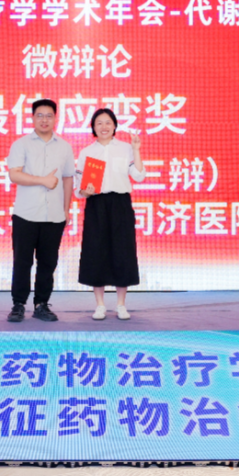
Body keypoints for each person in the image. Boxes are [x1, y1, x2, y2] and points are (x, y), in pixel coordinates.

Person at [5, 99, 75, 323]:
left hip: (54, 215)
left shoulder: (64, 146)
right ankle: (18, 304)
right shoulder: (21, 144)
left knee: (48, 263)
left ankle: (41, 304)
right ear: (33, 118)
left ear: (56, 118)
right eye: (40, 115)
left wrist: (66, 210)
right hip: (26, 213)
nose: (44, 120)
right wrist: (42, 180)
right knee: (22, 262)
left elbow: (67, 179)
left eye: (49, 115)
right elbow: (14, 174)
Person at [75, 108, 144, 320]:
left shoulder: (126, 148)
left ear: (115, 126)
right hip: (96, 204)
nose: (104, 127)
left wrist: (136, 149)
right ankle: (100, 305)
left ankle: (121, 305)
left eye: (108, 122)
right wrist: (85, 191)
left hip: (120, 204)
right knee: (96, 252)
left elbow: (139, 176)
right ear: (93, 127)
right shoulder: (87, 152)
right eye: (99, 123)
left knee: (123, 251)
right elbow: (79, 189)